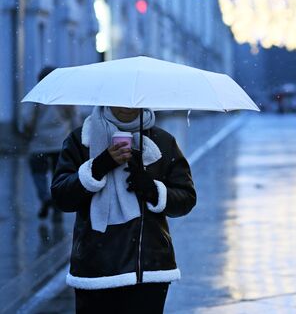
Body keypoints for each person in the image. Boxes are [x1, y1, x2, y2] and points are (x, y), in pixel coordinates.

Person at [51, 106, 196, 314]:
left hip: (148, 268)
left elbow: (186, 199)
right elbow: (62, 197)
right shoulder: (81, 140)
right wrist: (99, 166)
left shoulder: (162, 142)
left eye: (132, 101)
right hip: (95, 269)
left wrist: (152, 189)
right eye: (119, 100)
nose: (127, 107)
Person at [23, 67, 80, 219]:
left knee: (38, 173)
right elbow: (75, 119)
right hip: (60, 142)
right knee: (58, 175)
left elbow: (27, 119)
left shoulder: (37, 96)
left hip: (39, 142)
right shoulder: (64, 96)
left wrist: (28, 133)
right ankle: (57, 203)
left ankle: (45, 198)